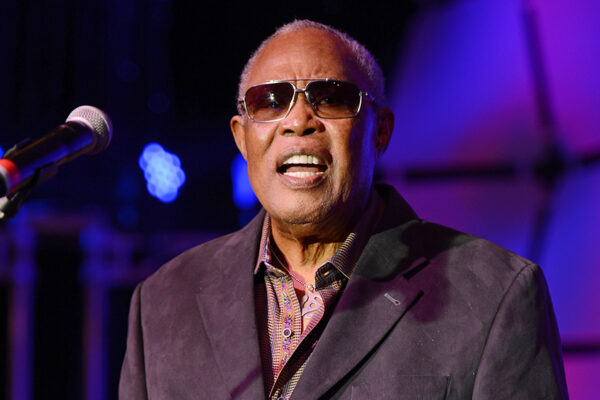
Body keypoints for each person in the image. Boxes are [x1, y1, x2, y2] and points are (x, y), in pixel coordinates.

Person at [119, 20, 568, 399]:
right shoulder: (163, 301)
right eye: (270, 102)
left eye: (331, 98)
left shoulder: (497, 295)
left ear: (380, 132)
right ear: (241, 137)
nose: (298, 121)